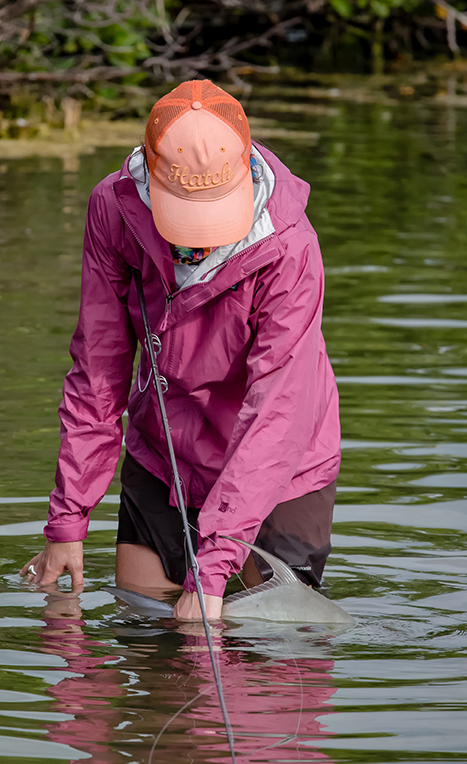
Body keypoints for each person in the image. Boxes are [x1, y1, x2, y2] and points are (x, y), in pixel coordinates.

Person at [20, 79, 341, 620]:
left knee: (261, 674)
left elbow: (277, 413)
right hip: (164, 448)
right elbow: (98, 370)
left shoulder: (290, 246)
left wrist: (212, 569)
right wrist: (68, 522)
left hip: (280, 465)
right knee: (148, 642)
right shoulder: (114, 210)